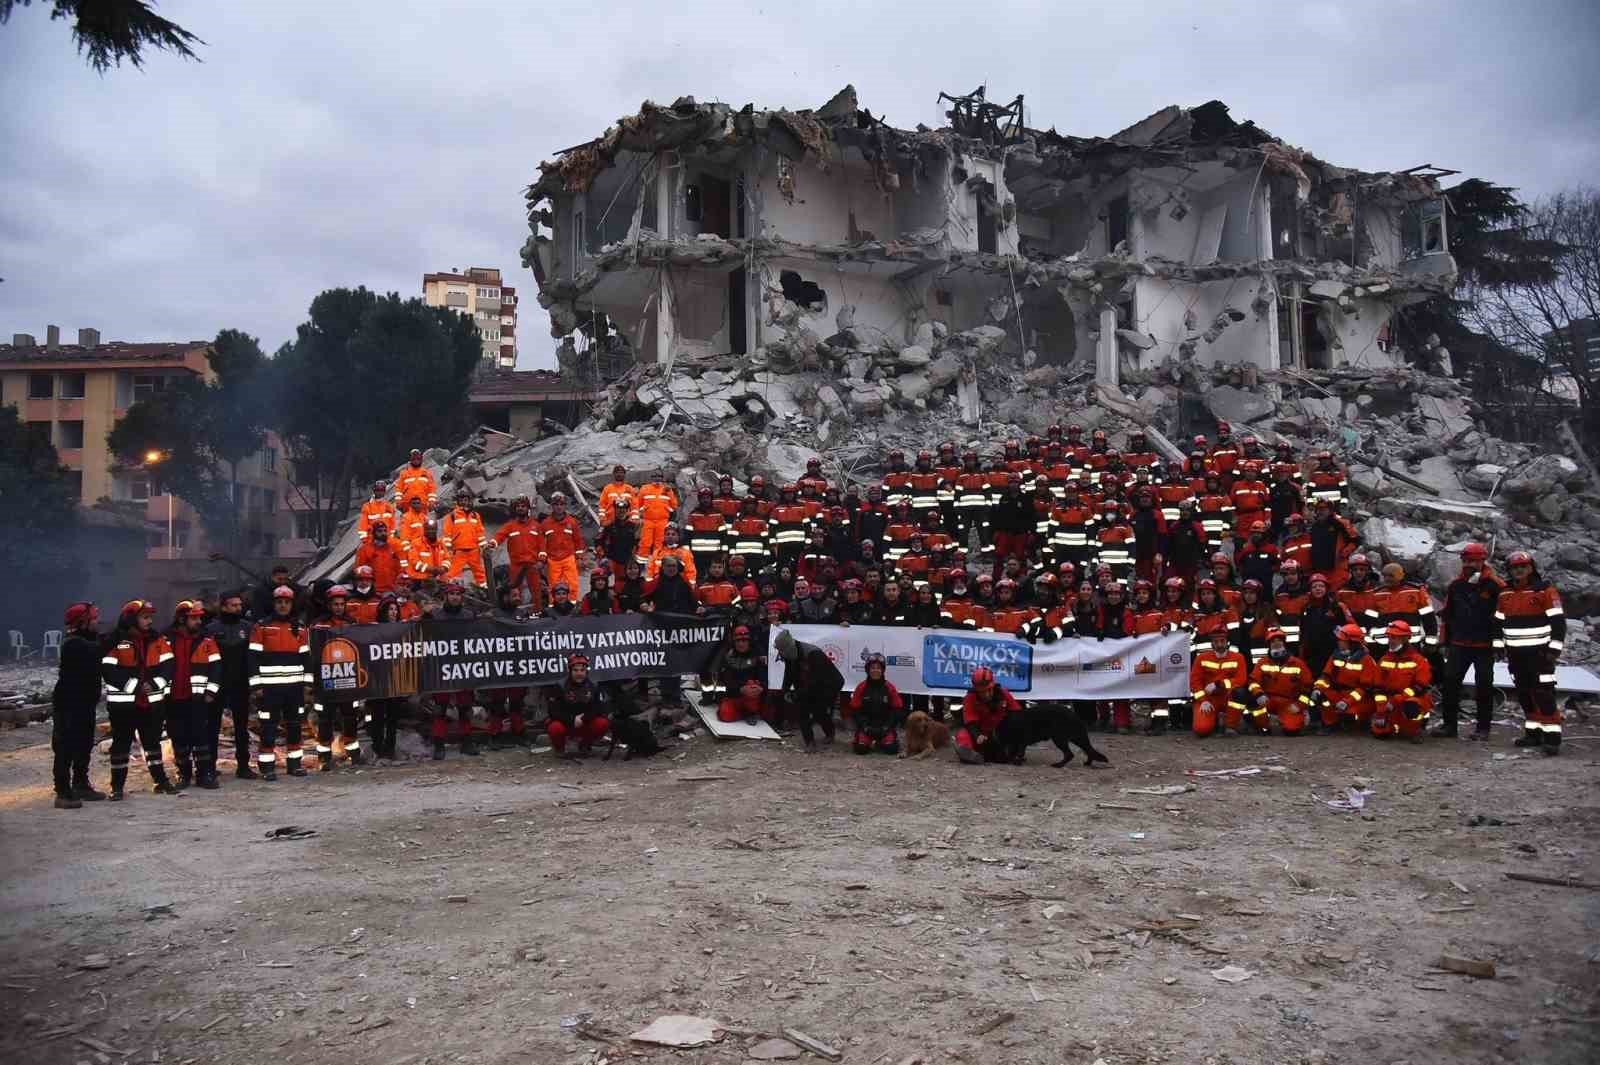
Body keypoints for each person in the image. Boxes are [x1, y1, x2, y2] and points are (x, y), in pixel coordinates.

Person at [101, 600, 178, 798]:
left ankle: (160, 781)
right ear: (131, 619)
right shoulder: (114, 640)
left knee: (153, 743)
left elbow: (169, 665)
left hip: (151, 703)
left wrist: (154, 685)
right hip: (123, 705)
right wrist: (134, 687)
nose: (149, 621)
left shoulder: (157, 639)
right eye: (145, 617)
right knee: (121, 746)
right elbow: (109, 669)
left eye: (150, 617)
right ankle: (117, 787)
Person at [1497, 550, 1565, 755]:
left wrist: (1554, 649)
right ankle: (1533, 734)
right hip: (1516, 655)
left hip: (1540, 655)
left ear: (1531, 568)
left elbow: (1558, 623)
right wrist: (1498, 646)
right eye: (1514, 568)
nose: (1518, 571)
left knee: (1544, 694)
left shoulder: (1545, 591)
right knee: (1524, 694)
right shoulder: (1505, 593)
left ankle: (1552, 738)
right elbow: (1498, 622)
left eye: (1522, 567)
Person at [1434, 543, 1504, 739]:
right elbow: (1448, 614)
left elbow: (1503, 616)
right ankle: (1449, 727)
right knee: (1450, 685)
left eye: (1473, 560)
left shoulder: (1496, 586)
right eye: (1465, 560)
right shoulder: (1456, 586)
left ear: (1483, 561)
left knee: (1484, 687)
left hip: (1484, 646)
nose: (1468, 564)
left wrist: (1499, 644)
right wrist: (1444, 642)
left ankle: (1483, 729)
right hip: (1459, 644)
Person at [248, 586, 310, 780]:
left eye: (287, 602)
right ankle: (267, 767)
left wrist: (308, 685)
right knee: (268, 727)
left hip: (294, 689)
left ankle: (295, 765)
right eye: (279, 602)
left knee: (294, 726)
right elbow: (252, 658)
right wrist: (256, 686)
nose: (283, 605)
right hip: (269, 690)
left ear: (292, 604)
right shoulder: (262, 627)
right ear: (274, 604)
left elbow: (306, 658)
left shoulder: (300, 628)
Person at [51, 603, 105, 808]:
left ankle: (81, 784)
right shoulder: (73, 643)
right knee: (65, 747)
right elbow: (98, 648)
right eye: (94, 619)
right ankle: (63, 792)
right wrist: (119, 633)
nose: (97, 622)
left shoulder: (87, 639)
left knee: (84, 744)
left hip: (85, 702)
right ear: (83, 622)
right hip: (68, 704)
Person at [165, 600, 221, 789]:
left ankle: (204, 774)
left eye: (199, 618)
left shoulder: (207, 640)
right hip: (173, 699)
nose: (199, 621)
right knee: (178, 738)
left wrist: (211, 692)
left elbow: (216, 668)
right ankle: (184, 774)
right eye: (194, 618)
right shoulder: (166, 639)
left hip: (197, 698)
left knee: (200, 738)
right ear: (181, 619)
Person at [311, 586, 366, 769]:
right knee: (325, 720)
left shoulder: (352, 623)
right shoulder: (318, 625)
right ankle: (325, 758)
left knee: (350, 718)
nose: (339, 607)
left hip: (347, 678)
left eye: (342, 604)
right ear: (329, 605)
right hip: (325, 680)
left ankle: (353, 754)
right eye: (335, 604)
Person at [426, 581, 480, 759]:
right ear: (445, 597)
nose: (455, 597)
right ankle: (439, 744)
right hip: (442, 667)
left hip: (464, 667)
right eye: (452, 594)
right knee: (440, 708)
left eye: (458, 594)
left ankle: (467, 741)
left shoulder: (469, 615)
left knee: (465, 707)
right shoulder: (434, 616)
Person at [205, 590, 256, 778]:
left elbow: (252, 658)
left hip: (241, 683)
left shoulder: (248, 628)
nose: (238, 608)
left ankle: (243, 766)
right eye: (234, 605)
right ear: (224, 606)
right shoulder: (211, 629)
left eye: (239, 605)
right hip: (218, 684)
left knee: (241, 727)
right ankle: (209, 766)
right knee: (212, 727)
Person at [774, 628, 842, 751]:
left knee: (818, 709)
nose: (781, 654)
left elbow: (816, 682)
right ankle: (810, 742)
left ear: (789, 647)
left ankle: (830, 733)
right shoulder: (790, 654)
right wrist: (785, 690)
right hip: (811, 683)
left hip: (830, 683)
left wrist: (797, 694)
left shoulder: (813, 654)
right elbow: (789, 674)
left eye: (781, 651)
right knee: (802, 709)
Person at [1370, 620, 1432, 742]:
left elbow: (1420, 686)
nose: (1390, 641)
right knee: (1380, 733)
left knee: (1411, 706)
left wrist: (1399, 698)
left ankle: (1415, 729)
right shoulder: (1384, 659)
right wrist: (1381, 709)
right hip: (1389, 702)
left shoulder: (1418, 660)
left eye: (1394, 638)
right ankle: (1389, 723)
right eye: (1390, 637)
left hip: (1410, 699)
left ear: (1405, 639)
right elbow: (1377, 687)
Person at [1246, 627, 1313, 735]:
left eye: (1279, 640)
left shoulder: (1298, 663)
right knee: (1256, 710)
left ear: (1284, 643)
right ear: (1268, 645)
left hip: (1289, 702)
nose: (1276, 643)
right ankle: (1264, 726)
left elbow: (1308, 687)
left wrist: (1299, 705)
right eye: (1273, 641)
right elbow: (1252, 682)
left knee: (1292, 730)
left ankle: (1297, 718)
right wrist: (1258, 694)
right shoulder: (1262, 663)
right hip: (1267, 699)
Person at [1314, 623, 1378, 733]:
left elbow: (1365, 687)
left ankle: (1361, 721)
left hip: (1359, 697)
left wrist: (1348, 701)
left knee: (1350, 715)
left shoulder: (1366, 659)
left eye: (1342, 640)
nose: (1338, 641)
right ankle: (1331, 724)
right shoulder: (1336, 655)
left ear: (1352, 643)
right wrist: (1317, 689)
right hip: (1339, 693)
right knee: (1323, 697)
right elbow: (1326, 676)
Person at [545, 654, 611, 758]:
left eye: (582, 670)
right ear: (570, 671)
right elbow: (553, 711)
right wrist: (572, 719)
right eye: (575, 670)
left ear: (586, 671)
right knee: (554, 727)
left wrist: (584, 718)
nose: (579, 673)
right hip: (566, 723)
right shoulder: (560, 686)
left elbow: (599, 708)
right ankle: (560, 748)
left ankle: (585, 745)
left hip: (585, 723)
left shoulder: (594, 685)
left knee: (602, 723)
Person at [366, 596, 407, 758]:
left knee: (393, 716)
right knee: (377, 715)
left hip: (395, 678)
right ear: (383, 611)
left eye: (396, 610)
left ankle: (390, 747)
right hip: (377, 679)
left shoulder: (402, 628)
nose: (393, 613)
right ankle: (377, 745)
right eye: (390, 609)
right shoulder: (372, 629)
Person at [1190, 627, 1248, 738]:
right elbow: (1194, 682)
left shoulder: (1238, 658)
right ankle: (1214, 720)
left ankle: (1230, 726)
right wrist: (1203, 700)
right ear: (1211, 644)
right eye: (1216, 642)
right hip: (1209, 699)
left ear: (1227, 642)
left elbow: (1241, 680)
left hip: (1228, 696)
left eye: (1222, 641)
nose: (1219, 644)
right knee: (1201, 730)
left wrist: (1218, 684)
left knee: (1240, 693)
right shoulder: (1201, 658)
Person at [955, 666, 1019, 764]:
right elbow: (970, 722)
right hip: (980, 733)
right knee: (962, 735)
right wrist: (977, 735)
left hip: (1000, 733)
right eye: (981, 692)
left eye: (988, 690)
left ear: (993, 686)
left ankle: (1009, 753)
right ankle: (969, 754)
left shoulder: (1004, 694)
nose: (985, 695)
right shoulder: (970, 698)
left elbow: (1017, 715)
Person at [494, 495, 546, 608]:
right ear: (515, 509)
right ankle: (516, 615)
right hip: (516, 565)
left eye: (523, 506)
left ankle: (538, 611)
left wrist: (541, 561)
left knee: (536, 591)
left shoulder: (536, 526)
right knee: (516, 592)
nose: (520, 508)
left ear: (528, 508)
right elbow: (499, 536)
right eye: (518, 506)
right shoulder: (510, 526)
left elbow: (542, 545)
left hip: (533, 565)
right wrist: (492, 543)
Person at [849, 654, 903, 754]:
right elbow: (855, 710)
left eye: (878, 668)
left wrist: (887, 727)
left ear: (882, 670)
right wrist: (864, 727)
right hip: (867, 727)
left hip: (885, 727)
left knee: (891, 750)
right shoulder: (861, 687)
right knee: (860, 750)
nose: (875, 671)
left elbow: (897, 710)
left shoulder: (889, 687)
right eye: (872, 668)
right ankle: (869, 741)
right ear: (868, 670)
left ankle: (881, 742)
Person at [716, 625, 770, 723]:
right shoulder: (727, 657)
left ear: (749, 641)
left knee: (752, 685)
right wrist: (740, 689)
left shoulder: (758, 657)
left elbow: (765, 678)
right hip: (734, 695)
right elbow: (725, 681)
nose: (741, 644)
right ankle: (744, 713)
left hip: (753, 696)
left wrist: (761, 687)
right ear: (734, 642)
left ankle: (751, 712)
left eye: (744, 640)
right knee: (725, 716)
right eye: (738, 641)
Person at [540, 493, 586, 603]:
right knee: (554, 586)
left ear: (565, 505)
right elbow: (541, 543)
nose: (559, 507)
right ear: (552, 506)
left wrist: (579, 558)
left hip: (568, 559)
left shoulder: (572, 522)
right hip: (552, 560)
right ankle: (554, 608)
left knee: (572, 584)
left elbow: (578, 541)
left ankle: (571, 606)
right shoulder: (545, 524)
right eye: (556, 504)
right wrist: (542, 559)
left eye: (561, 504)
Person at [442, 489, 489, 586]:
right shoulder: (452, 516)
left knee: (480, 574)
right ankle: (454, 591)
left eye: (466, 500)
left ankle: (484, 590)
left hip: (474, 551)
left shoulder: (475, 516)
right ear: (458, 502)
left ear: (469, 501)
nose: (464, 502)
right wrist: (448, 549)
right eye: (462, 500)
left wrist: (484, 546)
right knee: (453, 574)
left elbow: (480, 533)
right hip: (458, 551)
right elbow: (447, 534)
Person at [636, 470, 680, 562]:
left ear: (662, 478)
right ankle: (641, 564)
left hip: (662, 521)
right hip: (648, 520)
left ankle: (658, 563)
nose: (657, 478)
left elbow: (674, 505)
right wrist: (640, 515)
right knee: (645, 542)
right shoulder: (644, 488)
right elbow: (638, 504)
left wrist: (669, 492)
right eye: (655, 476)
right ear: (651, 478)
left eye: (659, 476)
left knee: (660, 543)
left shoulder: (667, 489)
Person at [355, 521, 406, 595]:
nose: (383, 533)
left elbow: (400, 569)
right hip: (373, 591)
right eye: (380, 531)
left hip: (392, 590)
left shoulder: (393, 548)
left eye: (385, 531)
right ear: (373, 533)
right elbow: (359, 571)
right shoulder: (365, 549)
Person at [402, 517, 449, 584]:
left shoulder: (440, 544)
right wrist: (431, 569)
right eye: (428, 529)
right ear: (424, 530)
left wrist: (444, 568)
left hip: (438, 580)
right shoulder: (416, 544)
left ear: (436, 530)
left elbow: (447, 559)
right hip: (420, 580)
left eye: (433, 529)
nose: (431, 531)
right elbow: (415, 563)